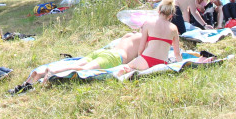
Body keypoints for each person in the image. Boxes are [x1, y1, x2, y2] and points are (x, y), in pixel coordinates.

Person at [14, 31, 144, 91]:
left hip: (103, 52)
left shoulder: (129, 35)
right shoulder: (143, 39)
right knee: (85, 69)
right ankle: (53, 71)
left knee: (76, 64)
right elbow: (141, 55)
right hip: (114, 58)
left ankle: (39, 73)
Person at [118, 0, 183, 72]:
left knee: (124, 68)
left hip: (147, 59)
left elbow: (141, 48)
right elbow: (177, 54)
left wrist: (139, 58)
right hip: (162, 62)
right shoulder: (174, 28)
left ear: (158, 11)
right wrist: (180, 66)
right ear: (171, 15)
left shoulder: (148, 23)